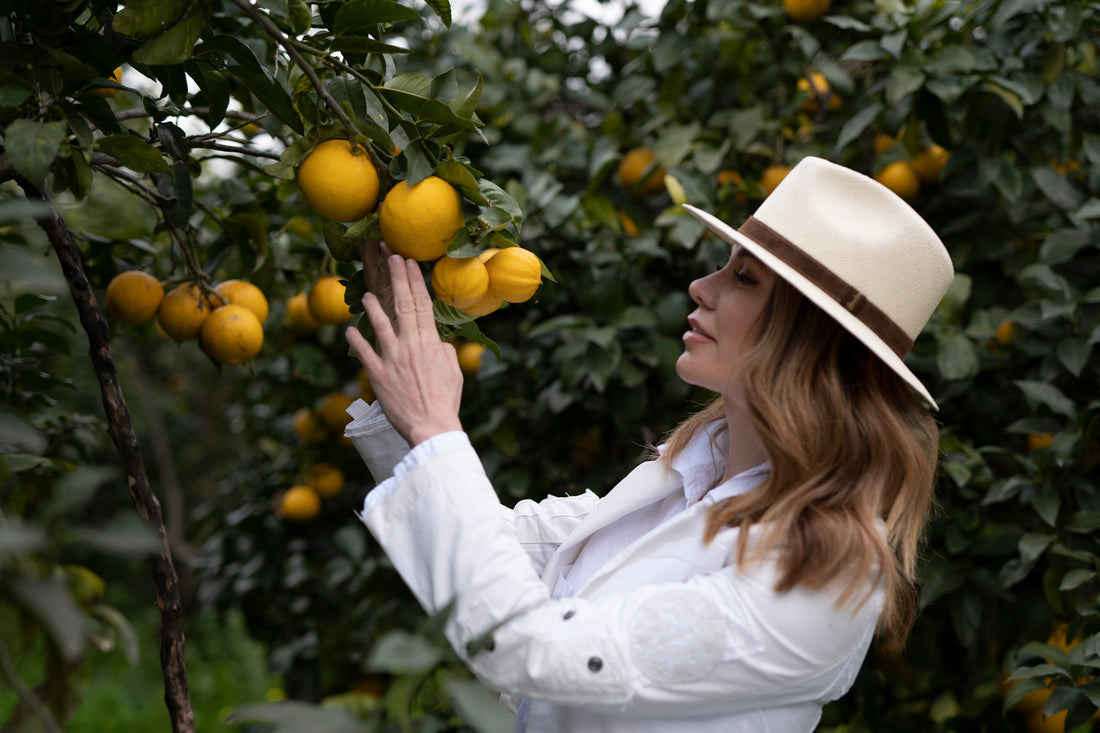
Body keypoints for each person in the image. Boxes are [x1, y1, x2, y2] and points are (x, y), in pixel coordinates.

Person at [343, 156, 954, 732]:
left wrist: (435, 429)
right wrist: (407, 390)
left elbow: (531, 648)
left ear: (810, 339)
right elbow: (492, 552)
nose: (701, 286)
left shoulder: (822, 576)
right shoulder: (685, 480)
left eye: (743, 277)